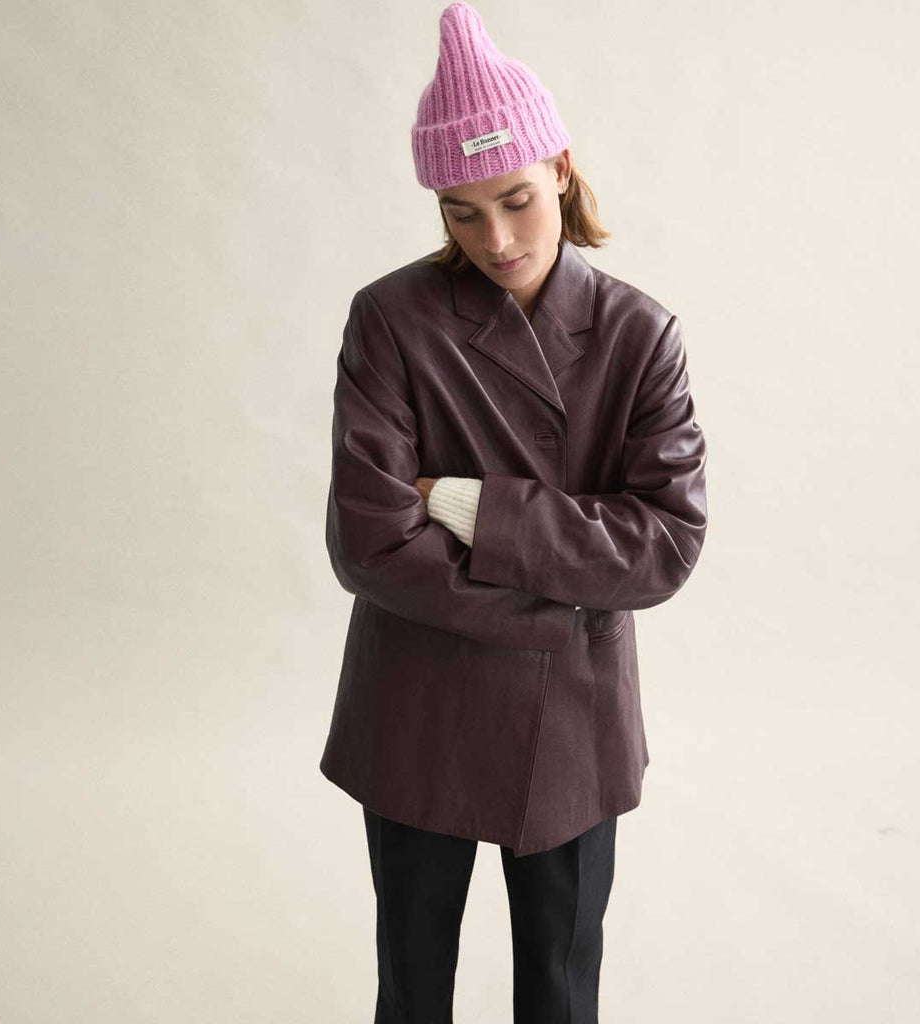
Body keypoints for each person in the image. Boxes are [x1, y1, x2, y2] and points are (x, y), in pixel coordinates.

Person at [320, 3, 709, 1021]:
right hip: (417, 707)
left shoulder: (640, 336)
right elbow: (369, 542)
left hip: (571, 722)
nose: (494, 239)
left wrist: (466, 503)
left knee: (560, 987)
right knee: (412, 987)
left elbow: (665, 544)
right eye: (461, 212)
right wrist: (562, 603)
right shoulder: (390, 320)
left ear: (562, 171)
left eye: (516, 199)